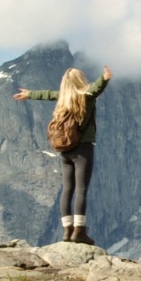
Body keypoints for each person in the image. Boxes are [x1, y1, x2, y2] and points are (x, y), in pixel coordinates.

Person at [14, 65, 112, 244]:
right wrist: (104, 78)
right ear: (79, 81)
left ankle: (67, 230)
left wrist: (30, 94)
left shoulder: (62, 98)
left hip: (65, 150)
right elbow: (96, 88)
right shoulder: (86, 97)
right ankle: (79, 231)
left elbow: (48, 94)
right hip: (83, 149)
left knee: (67, 190)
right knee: (81, 189)